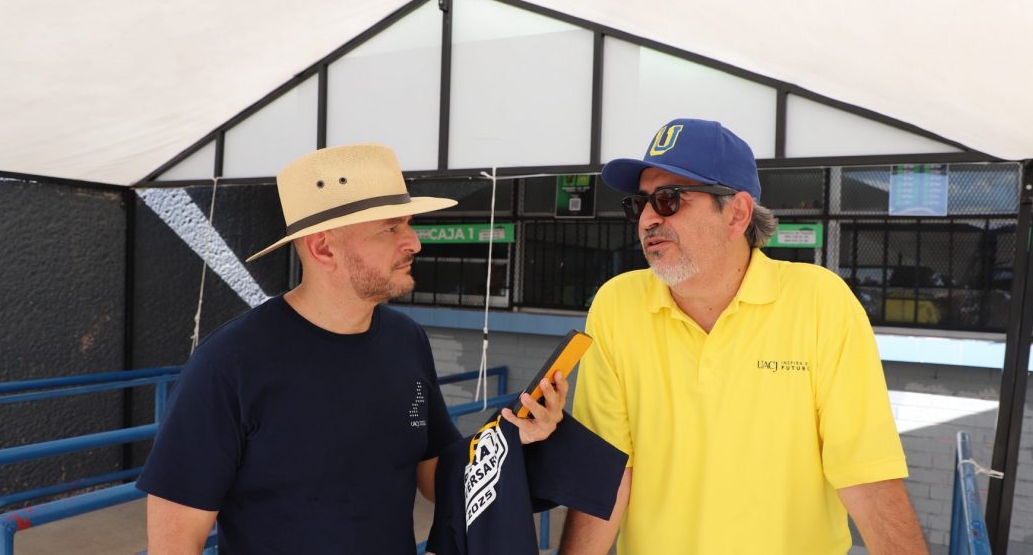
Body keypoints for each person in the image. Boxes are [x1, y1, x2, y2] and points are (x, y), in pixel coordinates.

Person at [136, 143, 568, 554]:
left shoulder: (406, 340)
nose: (414, 242)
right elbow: (175, 540)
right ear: (323, 247)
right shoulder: (229, 363)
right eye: (390, 228)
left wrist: (512, 439)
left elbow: (434, 473)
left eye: (408, 224)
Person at [559, 119, 927, 554]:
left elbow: (867, 477)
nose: (648, 219)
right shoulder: (616, 305)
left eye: (668, 199)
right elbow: (607, 474)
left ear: (737, 213)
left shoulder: (819, 303)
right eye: (640, 203)